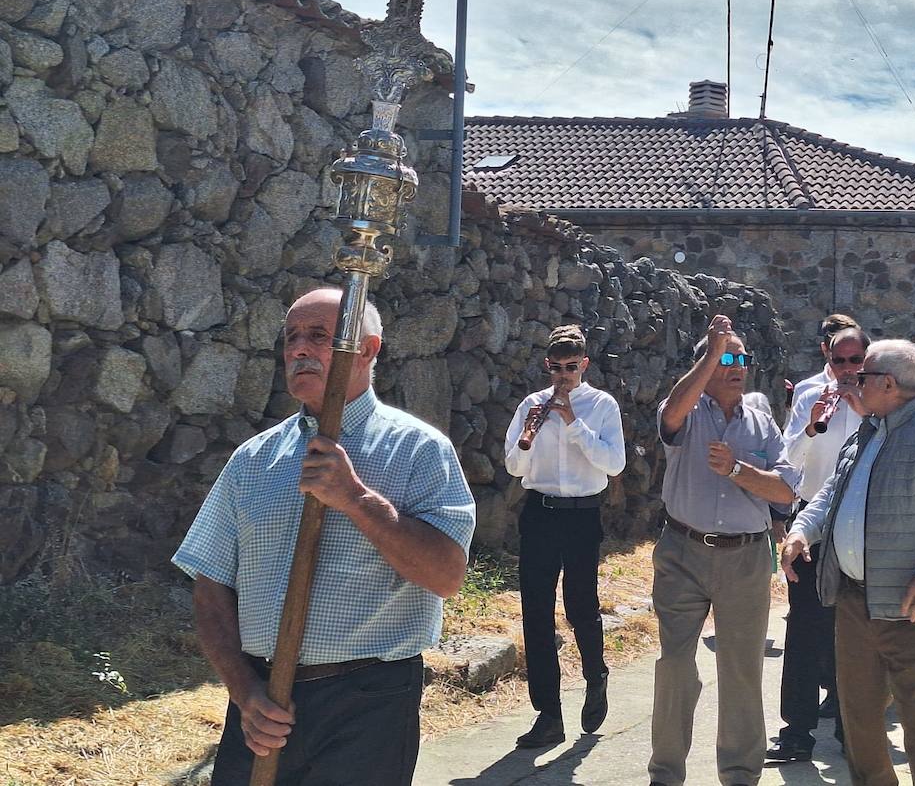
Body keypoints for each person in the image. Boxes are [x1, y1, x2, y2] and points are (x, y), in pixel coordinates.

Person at [172, 288, 476, 786]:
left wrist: (355, 499)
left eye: (318, 336)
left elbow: (445, 576)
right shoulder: (252, 460)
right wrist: (245, 692)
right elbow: (211, 588)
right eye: (291, 338)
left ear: (368, 350)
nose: (298, 349)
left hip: (367, 704)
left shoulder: (419, 450)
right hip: (262, 701)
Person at [781, 340, 915, 786]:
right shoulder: (869, 428)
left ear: (887, 383)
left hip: (913, 605)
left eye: (862, 376)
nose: (852, 382)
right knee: (859, 719)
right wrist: (800, 530)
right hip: (855, 599)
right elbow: (832, 492)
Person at [649, 314, 799, 786]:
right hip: (683, 552)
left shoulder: (761, 422)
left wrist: (738, 471)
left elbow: (785, 490)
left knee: (741, 671)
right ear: (706, 364)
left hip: (746, 558)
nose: (737, 366)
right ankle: (666, 774)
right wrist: (711, 350)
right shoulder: (687, 413)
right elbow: (670, 414)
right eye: (725, 358)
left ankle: (739, 774)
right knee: (675, 663)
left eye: (741, 359)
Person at [504, 325, 627, 748]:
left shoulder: (601, 405)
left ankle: (596, 675)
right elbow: (513, 468)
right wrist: (530, 436)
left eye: (571, 368)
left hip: (581, 514)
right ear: (547, 366)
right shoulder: (530, 405)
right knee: (536, 613)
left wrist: (573, 423)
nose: (563, 377)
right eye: (556, 368)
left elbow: (614, 464)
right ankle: (548, 714)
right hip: (539, 512)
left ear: (584, 365)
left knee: (580, 606)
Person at [767, 327, 869, 763]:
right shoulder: (810, 390)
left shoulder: (880, 393)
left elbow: (884, 445)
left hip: (860, 521)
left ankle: (855, 732)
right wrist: (811, 426)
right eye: (839, 361)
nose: (846, 370)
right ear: (827, 355)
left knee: (855, 629)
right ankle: (796, 732)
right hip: (810, 516)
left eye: (854, 361)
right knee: (804, 626)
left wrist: (860, 406)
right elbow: (788, 459)